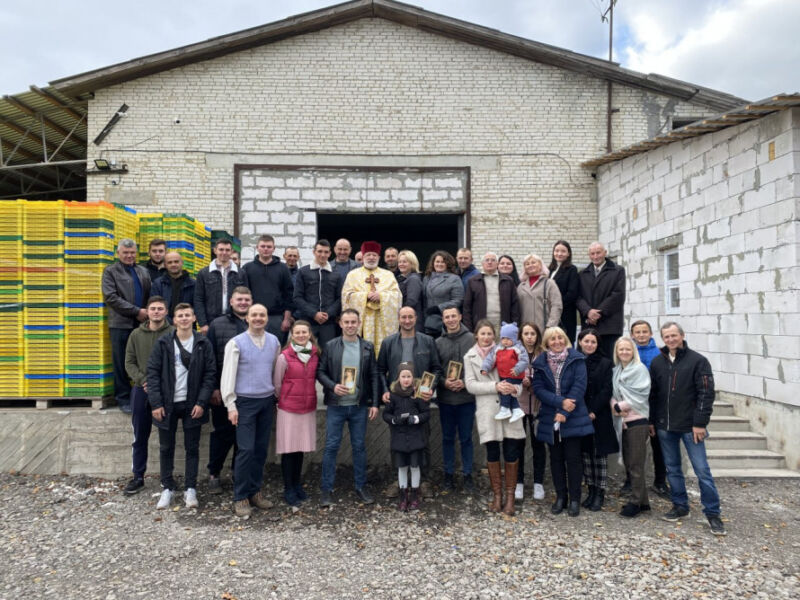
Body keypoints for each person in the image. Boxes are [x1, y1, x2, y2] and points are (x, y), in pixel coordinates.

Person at [649, 322, 726, 536]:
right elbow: (653, 396)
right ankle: (680, 506)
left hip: (691, 427)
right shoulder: (657, 363)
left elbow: (706, 393)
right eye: (667, 336)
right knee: (673, 469)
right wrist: (652, 422)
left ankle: (712, 513)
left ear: (682, 335)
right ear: (663, 338)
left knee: (702, 470)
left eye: (674, 335)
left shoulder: (698, 361)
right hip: (665, 426)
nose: (671, 339)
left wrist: (700, 423)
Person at [146, 303, 216, 510]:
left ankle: (190, 488)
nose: (184, 318)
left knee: (192, 447)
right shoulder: (164, 343)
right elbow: (153, 373)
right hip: (167, 404)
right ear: (174, 320)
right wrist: (156, 403)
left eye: (188, 315)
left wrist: (202, 402)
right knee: (166, 447)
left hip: (192, 403)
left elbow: (210, 374)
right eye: (180, 316)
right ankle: (167, 488)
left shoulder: (203, 343)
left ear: (194, 318)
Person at [220, 304, 281, 518]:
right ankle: (241, 496)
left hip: (266, 401)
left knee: (261, 449)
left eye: (262, 315)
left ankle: (255, 491)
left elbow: (274, 371)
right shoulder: (236, 343)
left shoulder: (274, 341)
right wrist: (231, 405)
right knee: (245, 450)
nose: (258, 318)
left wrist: (275, 398)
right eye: (254, 315)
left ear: (266, 318)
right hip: (244, 402)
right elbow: (228, 374)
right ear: (246, 318)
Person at [316, 308, 380, 507]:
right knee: (331, 447)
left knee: (359, 447)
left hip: (359, 406)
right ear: (340, 324)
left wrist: (375, 403)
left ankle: (361, 486)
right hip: (337, 405)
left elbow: (374, 376)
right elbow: (321, 372)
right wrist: (333, 386)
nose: (351, 325)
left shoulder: (367, 347)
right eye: (347, 322)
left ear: (359, 323)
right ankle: (327, 489)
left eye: (354, 322)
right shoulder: (331, 345)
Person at [377, 306, 442, 499]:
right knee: (396, 440)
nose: (407, 320)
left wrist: (431, 387)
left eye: (410, 317)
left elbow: (437, 368)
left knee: (423, 439)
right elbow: (380, 369)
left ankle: (423, 481)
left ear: (416, 318)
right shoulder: (388, 342)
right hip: (396, 401)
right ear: (398, 319)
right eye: (403, 317)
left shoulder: (427, 341)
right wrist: (384, 390)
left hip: (419, 400)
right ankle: (398, 481)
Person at [464, 320, 525, 516]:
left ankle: (510, 498)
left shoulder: (507, 350)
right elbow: (470, 385)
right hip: (488, 410)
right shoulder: (470, 356)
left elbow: (519, 375)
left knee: (511, 451)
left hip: (510, 407)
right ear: (476, 335)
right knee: (492, 452)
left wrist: (515, 388)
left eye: (490, 333)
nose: (486, 337)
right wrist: (494, 387)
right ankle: (497, 496)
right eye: (482, 333)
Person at [532, 326, 593, 517]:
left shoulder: (576, 359)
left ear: (565, 339)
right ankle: (561, 497)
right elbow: (539, 389)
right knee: (556, 459)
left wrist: (565, 411)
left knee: (573, 460)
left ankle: (575, 499)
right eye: (552, 339)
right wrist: (560, 404)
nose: (557, 341)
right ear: (546, 343)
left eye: (560, 337)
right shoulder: (540, 362)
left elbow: (579, 385)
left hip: (573, 416)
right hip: (550, 417)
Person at [122, 296, 174, 495]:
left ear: (166, 312)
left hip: (165, 390)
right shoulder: (136, 334)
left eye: (160, 308)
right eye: (153, 309)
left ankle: (166, 478)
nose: (157, 312)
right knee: (140, 435)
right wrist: (144, 381)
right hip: (141, 390)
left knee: (166, 438)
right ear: (147, 312)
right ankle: (138, 476)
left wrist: (158, 383)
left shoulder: (173, 333)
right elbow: (129, 362)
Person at [205, 286, 253, 494]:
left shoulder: (256, 323)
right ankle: (214, 473)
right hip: (223, 391)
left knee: (241, 436)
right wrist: (214, 387)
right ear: (231, 301)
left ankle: (237, 472)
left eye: (246, 300)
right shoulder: (218, 324)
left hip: (248, 392)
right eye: (239, 299)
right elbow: (210, 359)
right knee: (222, 434)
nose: (243, 303)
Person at [273, 320, 320, 506]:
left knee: (300, 448)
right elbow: (277, 383)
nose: (301, 335)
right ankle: (288, 488)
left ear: (310, 334)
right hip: (289, 408)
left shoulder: (315, 354)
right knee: (289, 449)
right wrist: (284, 398)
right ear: (292, 335)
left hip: (307, 407)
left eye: (304, 332)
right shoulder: (284, 357)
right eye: (297, 332)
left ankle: (297, 484)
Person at [102, 238, 152, 414]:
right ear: (118, 253)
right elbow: (111, 297)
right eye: (126, 253)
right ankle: (123, 398)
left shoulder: (142, 271)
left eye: (132, 253)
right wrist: (136, 311)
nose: (129, 256)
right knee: (121, 361)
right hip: (121, 324)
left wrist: (148, 314)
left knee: (142, 360)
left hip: (142, 324)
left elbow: (149, 294)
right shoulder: (110, 272)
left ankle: (140, 396)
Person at [435, 306, 476, 493]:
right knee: (447, 438)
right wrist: (444, 382)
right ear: (443, 320)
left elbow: (478, 367)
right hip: (446, 399)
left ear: (460, 316)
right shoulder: (437, 342)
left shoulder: (472, 339)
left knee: (466, 438)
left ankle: (468, 475)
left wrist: (465, 382)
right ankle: (448, 475)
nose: (451, 319)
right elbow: (435, 369)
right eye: (447, 317)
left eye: (454, 316)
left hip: (467, 398)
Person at [611, 336, 652, 518]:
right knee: (629, 462)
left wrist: (621, 406)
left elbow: (641, 395)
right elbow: (613, 394)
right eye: (621, 350)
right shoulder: (617, 371)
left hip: (637, 421)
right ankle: (644, 502)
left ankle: (635, 502)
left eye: (628, 349)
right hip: (622, 421)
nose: (624, 352)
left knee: (636, 463)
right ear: (617, 352)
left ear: (633, 351)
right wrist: (614, 406)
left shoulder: (640, 369)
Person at [577, 328, 617, 512]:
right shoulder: (576, 361)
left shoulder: (606, 363)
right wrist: (583, 410)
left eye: (593, 342)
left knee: (599, 454)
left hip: (599, 414)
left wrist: (593, 410)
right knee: (586, 453)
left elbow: (607, 389)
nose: (589, 345)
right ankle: (591, 489)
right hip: (580, 414)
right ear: (580, 342)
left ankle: (600, 492)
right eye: (586, 341)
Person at [628, 319, 669, 498]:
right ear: (632, 335)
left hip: (655, 404)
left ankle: (660, 481)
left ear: (651, 334)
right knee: (632, 445)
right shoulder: (628, 352)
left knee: (658, 445)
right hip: (633, 405)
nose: (641, 335)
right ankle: (630, 481)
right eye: (638, 332)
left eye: (645, 331)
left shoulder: (660, 355)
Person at [383, 362, 431, 511]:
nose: (406, 380)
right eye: (403, 376)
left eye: (409, 376)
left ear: (413, 378)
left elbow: (426, 413)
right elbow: (386, 414)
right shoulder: (393, 395)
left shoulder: (418, 394)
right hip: (399, 437)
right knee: (402, 467)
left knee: (415, 466)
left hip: (416, 437)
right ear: (398, 378)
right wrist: (394, 420)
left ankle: (415, 495)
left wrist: (416, 419)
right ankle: (403, 496)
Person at [341, 241, 401, 355]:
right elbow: (346, 296)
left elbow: (397, 296)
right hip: (363, 321)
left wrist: (381, 296)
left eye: (374, 255)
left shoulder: (388, 275)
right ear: (363, 257)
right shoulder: (353, 275)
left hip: (381, 320)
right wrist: (365, 296)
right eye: (368, 255)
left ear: (379, 257)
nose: (371, 258)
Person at [576, 242, 626, 360]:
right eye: (592, 253)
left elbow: (618, 295)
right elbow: (578, 297)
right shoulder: (583, 274)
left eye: (598, 253)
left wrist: (598, 313)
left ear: (605, 253)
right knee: (587, 362)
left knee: (610, 362)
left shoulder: (617, 271)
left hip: (609, 326)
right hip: (589, 327)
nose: (595, 256)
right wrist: (588, 312)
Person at [515, 322, 547, 501]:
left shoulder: (543, 354)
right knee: (518, 444)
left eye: (532, 334)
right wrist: (521, 380)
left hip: (538, 405)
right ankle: (518, 482)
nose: (529, 337)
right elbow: (508, 374)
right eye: (526, 333)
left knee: (538, 444)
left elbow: (547, 376)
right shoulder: (514, 352)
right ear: (521, 336)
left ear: (537, 336)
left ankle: (538, 483)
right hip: (519, 404)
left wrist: (533, 381)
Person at [242, 235, 294, 341]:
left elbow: (289, 294)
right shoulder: (247, 268)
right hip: (254, 317)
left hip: (277, 318)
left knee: (276, 351)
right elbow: (244, 294)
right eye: (263, 246)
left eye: (269, 247)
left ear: (274, 249)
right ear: (257, 247)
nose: (266, 249)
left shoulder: (283, 268)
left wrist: (286, 319)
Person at [293, 239, 342, 347]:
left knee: (327, 353)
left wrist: (328, 314)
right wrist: (314, 313)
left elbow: (339, 298)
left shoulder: (336, 274)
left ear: (330, 253)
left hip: (328, 322)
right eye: (320, 251)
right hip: (307, 321)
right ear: (314, 252)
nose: (323, 255)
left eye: (326, 252)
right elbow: (297, 297)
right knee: (306, 352)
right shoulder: (303, 272)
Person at [195, 238, 247, 334]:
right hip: (211, 320)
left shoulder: (241, 273)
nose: (224, 252)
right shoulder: (204, 273)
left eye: (227, 250)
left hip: (235, 319)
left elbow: (246, 297)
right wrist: (203, 323)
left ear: (231, 251)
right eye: (221, 249)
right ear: (215, 250)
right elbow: (198, 299)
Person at [480, 322, 528, 423]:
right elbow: (490, 359)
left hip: (514, 374)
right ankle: (516, 410)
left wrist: (517, 369)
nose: (505, 341)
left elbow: (524, 360)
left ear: (514, 338)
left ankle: (505, 408)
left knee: (505, 390)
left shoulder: (518, 348)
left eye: (508, 339)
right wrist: (485, 368)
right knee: (510, 392)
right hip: (503, 374)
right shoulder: (498, 348)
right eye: (503, 338)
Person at [463, 252, 520, 333]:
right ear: (482, 263)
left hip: (503, 326)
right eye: (487, 260)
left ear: (497, 263)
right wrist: (469, 328)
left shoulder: (508, 281)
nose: (490, 262)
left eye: (493, 260)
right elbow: (467, 307)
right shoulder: (473, 281)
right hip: (481, 326)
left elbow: (515, 305)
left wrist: (514, 325)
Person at [421, 250, 463, 338]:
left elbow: (458, 300)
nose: (439, 264)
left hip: (445, 321)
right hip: (428, 322)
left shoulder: (454, 279)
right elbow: (424, 300)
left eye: (443, 262)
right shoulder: (427, 278)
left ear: (447, 264)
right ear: (433, 263)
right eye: (437, 261)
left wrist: (439, 308)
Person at [517, 254, 562, 333]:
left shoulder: (549, 283)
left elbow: (556, 306)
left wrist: (550, 326)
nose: (530, 265)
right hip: (526, 331)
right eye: (527, 264)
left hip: (544, 329)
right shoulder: (521, 286)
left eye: (533, 262)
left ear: (541, 265)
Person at [548, 241, 580, 344]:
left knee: (565, 344)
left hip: (565, 315)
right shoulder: (550, 270)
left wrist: (556, 305)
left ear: (568, 253)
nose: (559, 253)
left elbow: (572, 294)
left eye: (563, 251)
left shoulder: (572, 269)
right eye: (557, 251)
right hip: (550, 315)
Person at [151, 251, 196, 322]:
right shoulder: (158, 284)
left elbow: (197, 306)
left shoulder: (193, 284)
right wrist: (170, 322)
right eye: (170, 262)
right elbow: (155, 305)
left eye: (176, 262)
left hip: (186, 323)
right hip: (164, 325)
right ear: (165, 265)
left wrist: (182, 320)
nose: (173, 264)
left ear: (182, 263)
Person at [396, 250, 423, 330]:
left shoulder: (413, 279)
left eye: (404, 262)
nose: (401, 264)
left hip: (411, 323)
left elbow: (411, 302)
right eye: (399, 262)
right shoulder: (401, 279)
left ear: (412, 263)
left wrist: (400, 314)